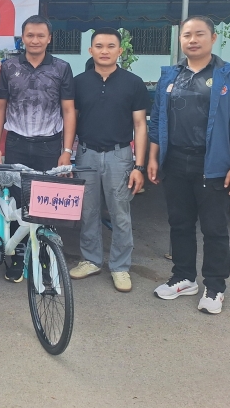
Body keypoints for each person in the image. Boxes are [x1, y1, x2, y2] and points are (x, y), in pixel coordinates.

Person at [148, 16, 230, 315]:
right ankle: (184, 277)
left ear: (213, 38)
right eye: (187, 35)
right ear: (180, 39)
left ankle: (215, 286)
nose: (192, 40)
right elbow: (157, 121)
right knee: (179, 223)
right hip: (175, 161)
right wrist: (153, 158)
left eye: (199, 34)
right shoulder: (171, 75)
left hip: (213, 163)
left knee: (214, 228)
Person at [0, 15, 76, 282]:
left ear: (49, 38)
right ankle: (18, 257)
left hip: (49, 146)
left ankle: (44, 258)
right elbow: (0, 107)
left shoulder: (62, 68)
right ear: (23, 38)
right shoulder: (9, 66)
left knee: (46, 206)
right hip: (16, 143)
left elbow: (68, 110)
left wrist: (67, 151)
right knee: (18, 203)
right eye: (30, 35)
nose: (35, 40)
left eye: (41, 35)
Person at [69, 28, 149, 293]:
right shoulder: (79, 82)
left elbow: (140, 125)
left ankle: (120, 266)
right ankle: (91, 260)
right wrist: (67, 152)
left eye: (111, 46)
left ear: (120, 51)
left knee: (120, 213)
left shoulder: (133, 83)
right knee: (87, 211)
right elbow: (71, 119)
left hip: (120, 155)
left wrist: (139, 165)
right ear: (90, 50)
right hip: (86, 154)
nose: (105, 51)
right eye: (99, 46)